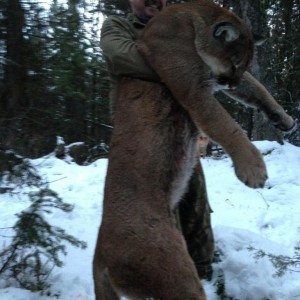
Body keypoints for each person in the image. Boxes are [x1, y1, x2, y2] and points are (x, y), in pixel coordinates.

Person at [100, 0, 215, 279]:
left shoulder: (183, 29)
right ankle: (167, 275)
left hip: (181, 134)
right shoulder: (118, 26)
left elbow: (213, 65)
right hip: (139, 142)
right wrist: (182, 67)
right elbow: (121, 56)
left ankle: (202, 269)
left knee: (195, 204)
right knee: (158, 214)